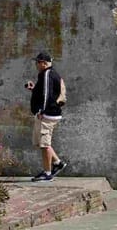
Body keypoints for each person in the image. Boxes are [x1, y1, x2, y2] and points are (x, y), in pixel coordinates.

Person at [25, 51, 67, 181]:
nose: (36, 64)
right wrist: (34, 89)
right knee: (42, 143)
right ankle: (58, 163)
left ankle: (48, 173)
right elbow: (45, 92)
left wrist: (42, 111)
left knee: (44, 144)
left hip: (48, 114)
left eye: (37, 62)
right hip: (48, 113)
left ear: (44, 63)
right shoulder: (47, 74)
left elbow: (47, 95)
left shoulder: (48, 74)